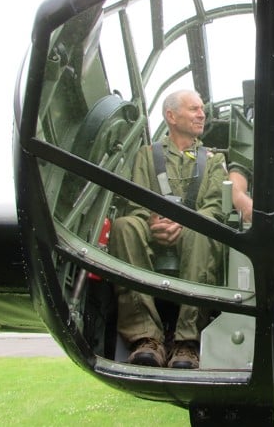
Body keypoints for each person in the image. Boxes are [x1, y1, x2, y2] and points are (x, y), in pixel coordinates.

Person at [109, 89, 227, 369]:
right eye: (194, 109)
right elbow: (134, 202)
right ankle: (144, 339)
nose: (202, 114)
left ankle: (187, 343)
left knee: (204, 229)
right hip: (153, 229)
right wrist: (151, 221)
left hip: (194, 232)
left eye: (202, 109)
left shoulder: (213, 160)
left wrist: (186, 223)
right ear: (171, 116)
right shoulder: (147, 156)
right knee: (125, 226)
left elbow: (215, 208)